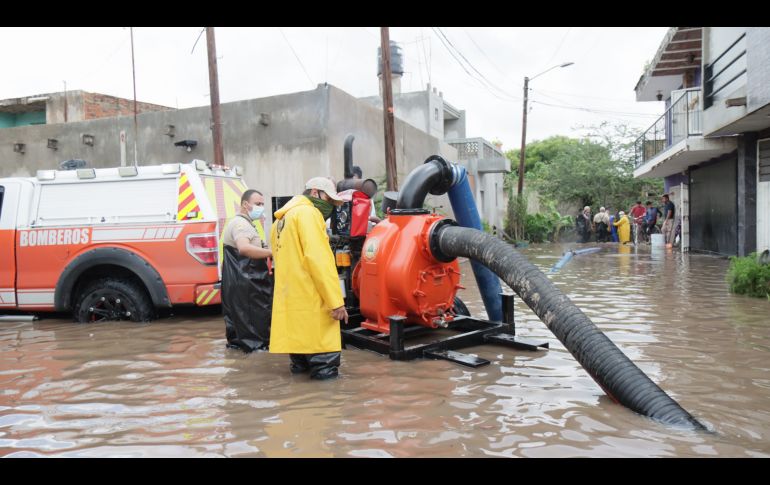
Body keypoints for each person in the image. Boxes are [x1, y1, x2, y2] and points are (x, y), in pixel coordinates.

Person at [270, 176, 349, 380]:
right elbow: (319, 262)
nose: (330, 206)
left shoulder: (281, 220)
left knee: (300, 373)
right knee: (326, 377)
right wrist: (336, 302)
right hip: (314, 310)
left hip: (293, 314)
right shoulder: (308, 214)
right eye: (329, 200)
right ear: (315, 193)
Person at [221, 189, 274, 352]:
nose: (261, 208)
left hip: (239, 283)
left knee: (239, 336)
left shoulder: (244, 223)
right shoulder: (241, 224)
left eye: (263, 204)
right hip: (247, 285)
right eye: (258, 204)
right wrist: (273, 253)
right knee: (255, 337)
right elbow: (243, 248)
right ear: (245, 204)